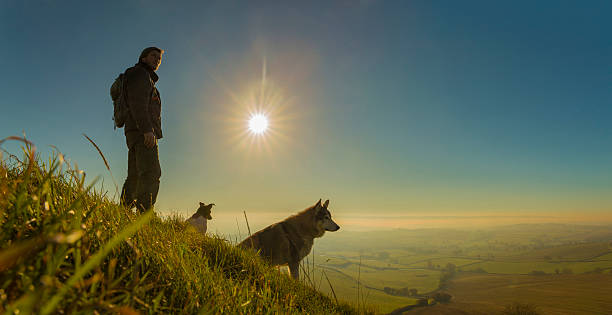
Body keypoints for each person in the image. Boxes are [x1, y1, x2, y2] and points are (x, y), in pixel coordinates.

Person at [120, 47, 164, 213]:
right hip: (141, 131)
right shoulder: (141, 74)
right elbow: (138, 103)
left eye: (159, 58)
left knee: (135, 175)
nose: (157, 60)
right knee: (152, 173)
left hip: (133, 131)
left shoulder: (141, 75)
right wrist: (147, 130)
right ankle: (143, 215)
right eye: (153, 56)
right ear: (143, 58)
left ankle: (123, 211)